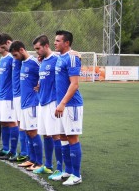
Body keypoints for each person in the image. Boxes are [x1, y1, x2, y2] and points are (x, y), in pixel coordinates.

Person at [31, 35, 63, 179]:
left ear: (46, 46)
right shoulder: (42, 61)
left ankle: (60, 168)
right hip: (42, 101)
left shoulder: (56, 59)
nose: (37, 51)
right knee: (46, 134)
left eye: (38, 48)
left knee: (56, 135)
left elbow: (71, 59)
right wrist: (39, 86)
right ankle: (48, 166)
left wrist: (77, 54)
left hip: (52, 101)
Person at [54, 30, 83, 186]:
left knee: (72, 138)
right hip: (61, 105)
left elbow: (75, 84)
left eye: (58, 41)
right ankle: (68, 171)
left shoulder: (72, 58)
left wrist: (63, 103)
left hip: (71, 105)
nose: (55, 43)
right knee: (63, 137)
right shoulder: (60, 57)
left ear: (66, 43)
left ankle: (77, 175)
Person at [9, 41, 43, 171]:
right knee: (28, 132)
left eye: (16, 55)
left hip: (32, 103)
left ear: (22, 50)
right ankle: (32, 159)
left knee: (33, 132)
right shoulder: (23, 62)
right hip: (24, 104)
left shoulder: (34, 62)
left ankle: (39, 162)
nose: (15, 58)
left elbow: (48, 73)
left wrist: (40, 84)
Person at [0, 33, 19, 161]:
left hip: (9, 96)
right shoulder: (1, 60)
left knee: (12, 121)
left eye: (2, 46)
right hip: (0, 96)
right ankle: (5, 148)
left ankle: (13, 151)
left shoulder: (12, 59)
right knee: (3, 121)